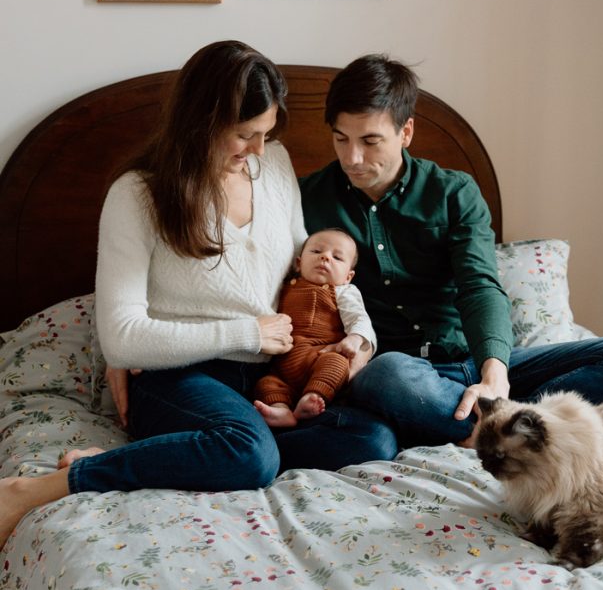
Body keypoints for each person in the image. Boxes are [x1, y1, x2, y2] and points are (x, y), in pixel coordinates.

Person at [0, 41, 397, 552]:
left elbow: (305, 266)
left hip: (270, 376)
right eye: (244, 135)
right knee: (251, 456)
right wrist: (245, 332)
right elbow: (122, 338)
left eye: (266, 134)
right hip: (183, 375)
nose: (258, 150)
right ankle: (36, 488)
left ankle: (180, 452)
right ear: (201, 123)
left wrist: (357, 336)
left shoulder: (272, 165)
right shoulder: (138, 194)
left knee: (374, 439)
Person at [299, 54, 603, 449]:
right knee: (382, 376)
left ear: (406, 131)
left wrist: (495, 375)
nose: (352, 158)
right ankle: (516, 432)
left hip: (477, 357)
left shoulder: (454, 192)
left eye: (370, 141)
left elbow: (479, 285)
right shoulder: (308, 198)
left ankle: (497, 424)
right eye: (341, 139)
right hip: (404, 373)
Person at [253, 228, 375, 427]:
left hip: (320, 356)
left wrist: (354, 338)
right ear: (299, 264)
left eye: (337, 257)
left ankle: (313, 397)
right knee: (266, 383)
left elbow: (359, 318)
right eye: (317, 252)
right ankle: (282, 411)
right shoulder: (285, 287)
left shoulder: (344, 292)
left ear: (348, 276)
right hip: (285, 364)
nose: (325, 257)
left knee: (336, 363)